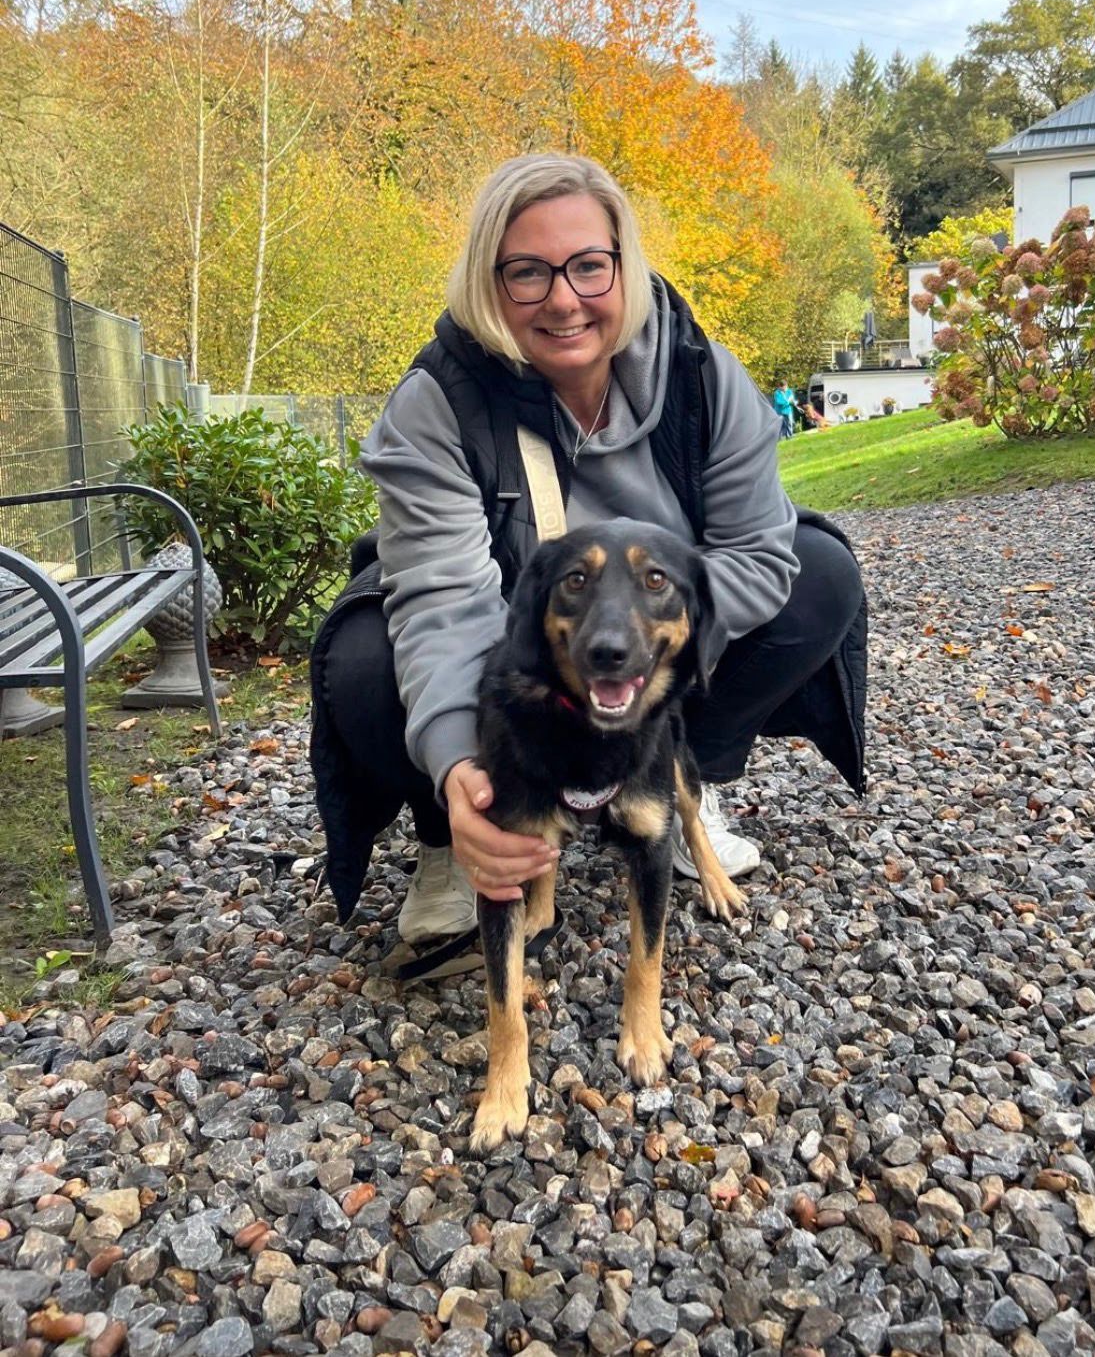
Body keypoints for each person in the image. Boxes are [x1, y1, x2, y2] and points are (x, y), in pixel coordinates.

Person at [310, 154, 867, 976]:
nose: (564, 299)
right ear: (488, 283)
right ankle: (457, 834)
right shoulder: (436, 403)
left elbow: (754, 554)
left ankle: (674, 787)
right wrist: (463, 768)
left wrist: (644, 641)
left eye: (588, 266)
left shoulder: (703, 377)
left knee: (822, 576)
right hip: (516, 644)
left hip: (647, 648)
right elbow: (443, 604)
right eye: (527, 272)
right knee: (361, 662)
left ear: (623, 266)